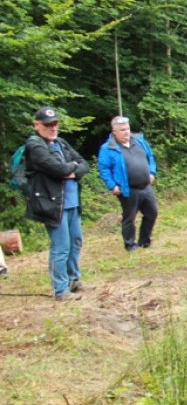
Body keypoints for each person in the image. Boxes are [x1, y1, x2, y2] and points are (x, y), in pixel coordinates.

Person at [24, 107, 89, 300]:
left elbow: (84, 164)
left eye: (55, 124)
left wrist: (72, 170)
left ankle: (74, 280)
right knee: (61, 247)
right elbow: (58, 169)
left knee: (76, 242)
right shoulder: (34, 146)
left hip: (72, 202)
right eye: (47, 125)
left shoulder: (61, 143)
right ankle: (60, 290)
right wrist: (70, 169)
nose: (52, 128)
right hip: (52, 204)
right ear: (36, 125)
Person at [97, 115, 158, 251]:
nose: (126, 132)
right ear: (114, 132)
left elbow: (151, 157)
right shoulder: (108, 148)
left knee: (152, 213)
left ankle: (144, 241)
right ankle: (130, 244)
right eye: (122, 130)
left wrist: (152, 172)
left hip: (146, 186)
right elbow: (104, 169)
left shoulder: (139, 141)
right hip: (127, 188)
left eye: (128, 129)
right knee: (129, 217)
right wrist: (112, 185)